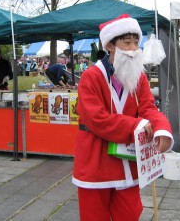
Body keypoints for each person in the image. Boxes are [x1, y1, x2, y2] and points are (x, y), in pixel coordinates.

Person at [72, 14, 174, 221]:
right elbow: (96, 118)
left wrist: (161, 128)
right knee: (94, 216)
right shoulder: (91, 77)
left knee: (129, 214)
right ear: (110, 45)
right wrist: (138, 124)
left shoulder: (139, 76)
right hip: (96, 158)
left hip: (128, 160)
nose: (134, 48)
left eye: (136, 43)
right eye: (127, 43)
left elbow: (148, 108)